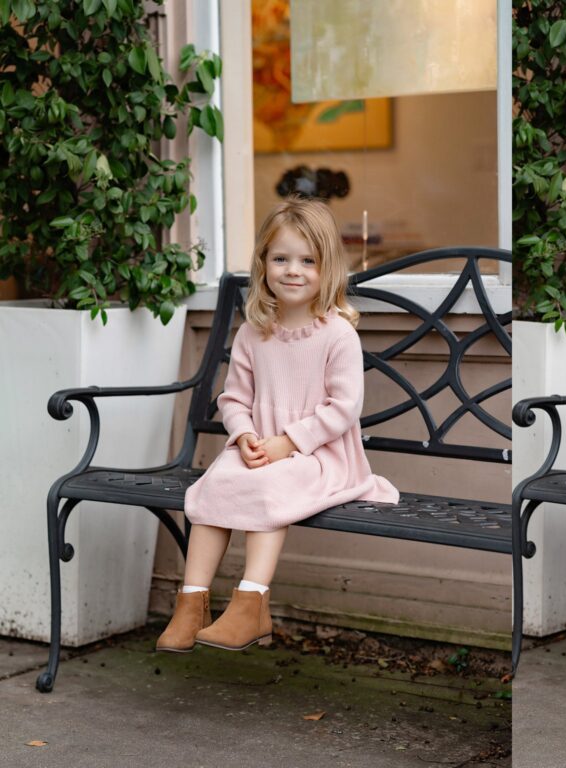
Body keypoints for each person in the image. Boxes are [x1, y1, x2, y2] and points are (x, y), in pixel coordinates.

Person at [156, 196, 399, 653]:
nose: (293, 270)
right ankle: (191, 604)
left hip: (320, 456)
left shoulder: (337, 334)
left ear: (327, 268)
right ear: (263, 263)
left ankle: (251, 604)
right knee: (216, 483)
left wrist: (289, 443)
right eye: (281, 258)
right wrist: (244, 435)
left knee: (270, 490)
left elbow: (343, 407)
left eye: (308, 260)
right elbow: (234, 399)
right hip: (262, 449)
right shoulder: (255, 331)